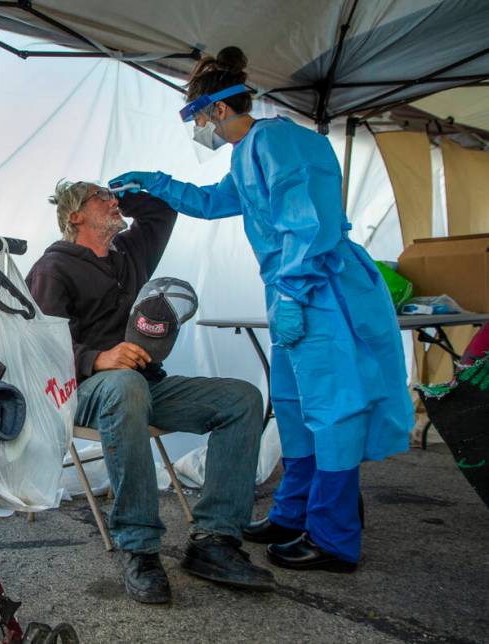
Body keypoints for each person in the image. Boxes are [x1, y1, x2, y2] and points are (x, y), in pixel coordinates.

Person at [111, 46, 413, 573]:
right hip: (291, 294)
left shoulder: (275, 141)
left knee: (332, 411)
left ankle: (335, 538)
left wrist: (294, 292)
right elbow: (211, 202)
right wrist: (158, 184)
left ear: (219, 110)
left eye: (197, 117)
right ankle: (293, 513)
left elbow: (308, 222)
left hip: (320, 292)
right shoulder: (246, 156)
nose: (198, 127)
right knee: (294, 407)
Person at [26, 179, 275, 604]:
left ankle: (214, 541)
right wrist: (95, 359)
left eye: (113, 195)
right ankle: (138, 547)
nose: (112, 202)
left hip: (143, 386)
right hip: (82, 392)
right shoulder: (53, 268)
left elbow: (161, 212)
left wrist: (125, 188)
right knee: (124, 385)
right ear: (75, 216)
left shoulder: (130, 252)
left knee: (242, 398)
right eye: (100, 197)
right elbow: (37, 348)